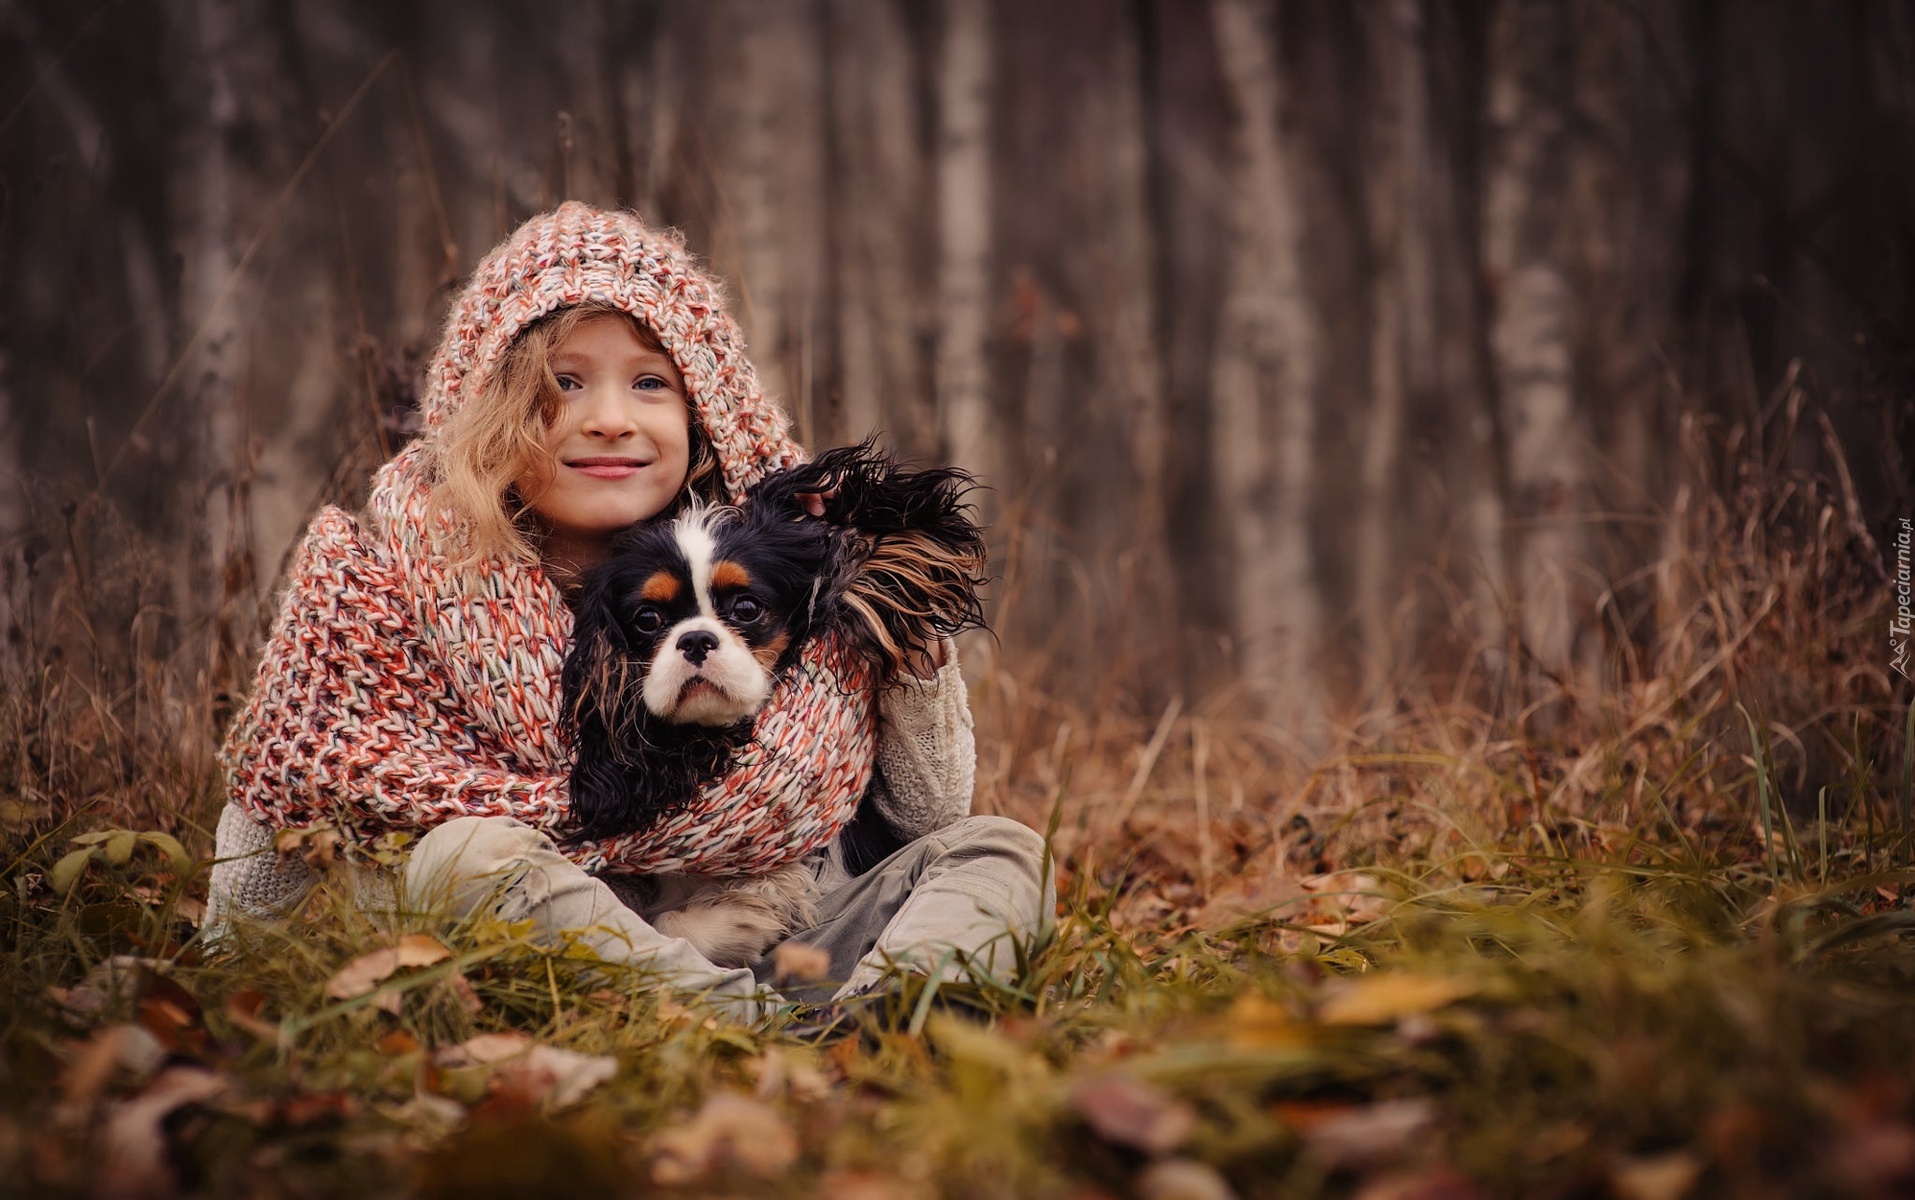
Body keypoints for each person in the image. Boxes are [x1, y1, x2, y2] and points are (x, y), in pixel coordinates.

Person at [208, 201, 1050, 1018]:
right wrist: (222, 968)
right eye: (563, 385)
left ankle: (887, 1006)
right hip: (578, 939)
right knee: (463, 858)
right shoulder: (379, 583)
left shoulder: (788, 554)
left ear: (701, 409)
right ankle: (754, 1026)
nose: (610, 419)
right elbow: (278, 790)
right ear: (487, 415)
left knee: (998, 851)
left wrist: (904, 648)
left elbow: (929, 817)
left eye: (650, 382)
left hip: (806, 928)